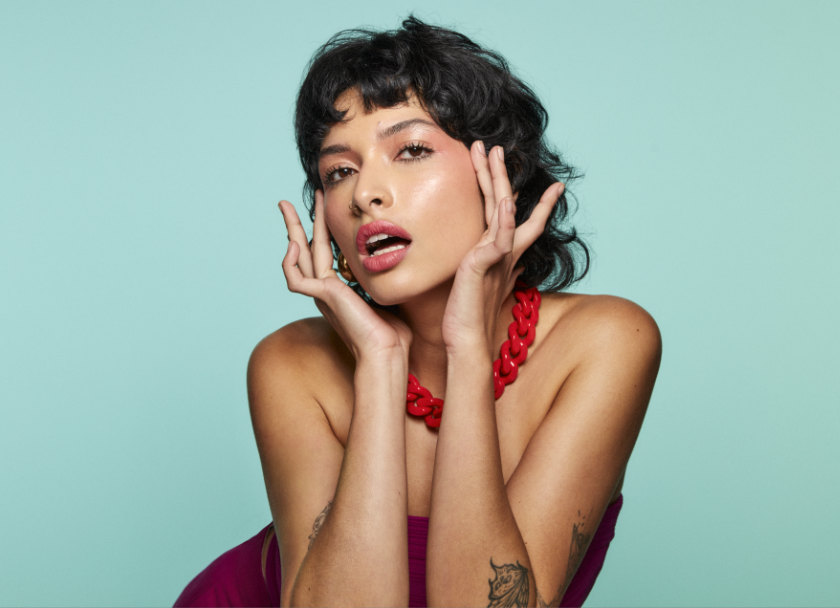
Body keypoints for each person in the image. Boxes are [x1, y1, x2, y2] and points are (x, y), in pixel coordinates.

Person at [175, 16, 660, 608]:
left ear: (500, 172)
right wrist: (379, 361)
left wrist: (467, 348)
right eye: (339, 171)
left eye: (410, 150)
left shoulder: (604, 342)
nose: (364, 194)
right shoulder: (291, 363)